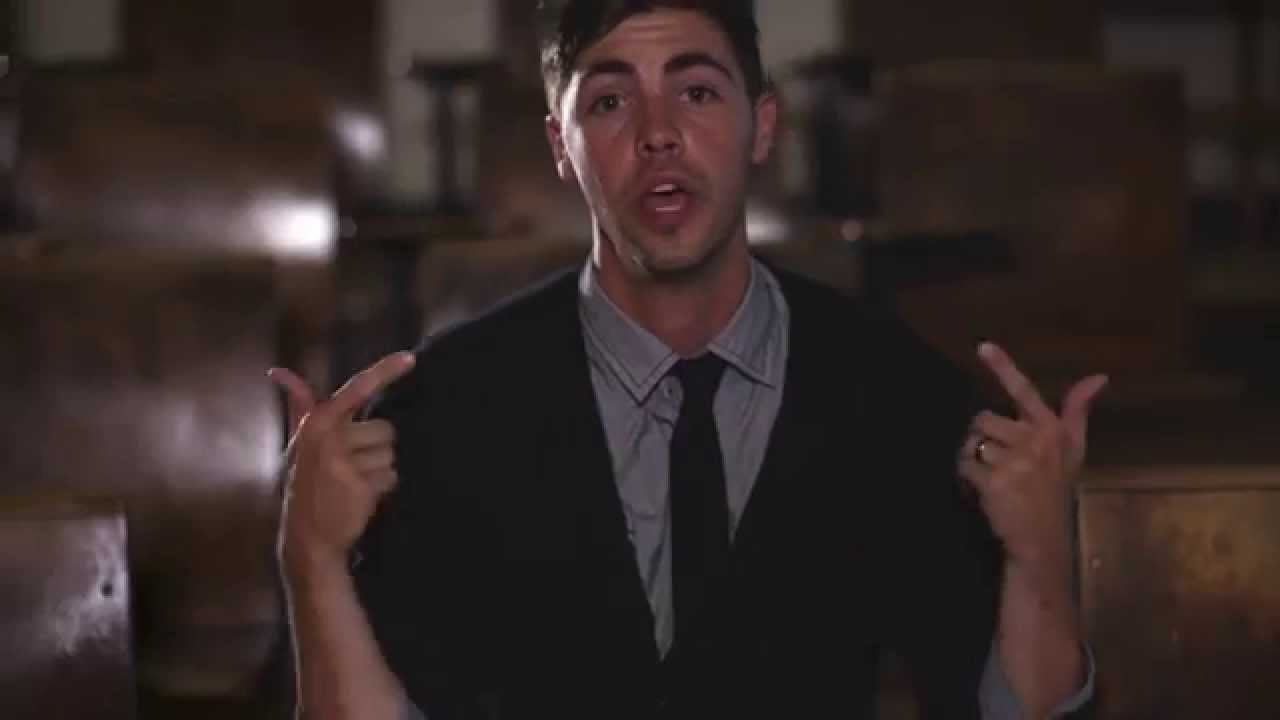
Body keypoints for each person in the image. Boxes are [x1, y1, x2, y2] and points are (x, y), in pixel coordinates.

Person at [270, 2, 1106, 718]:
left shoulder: (892, 392)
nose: (658, 134)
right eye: (609, 102)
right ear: (561, 145)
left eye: (697, 91)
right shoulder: (447, 409)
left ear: (762, 126)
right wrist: (312, 560)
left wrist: (1042, 558)